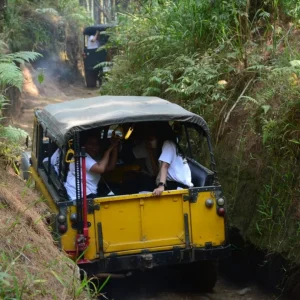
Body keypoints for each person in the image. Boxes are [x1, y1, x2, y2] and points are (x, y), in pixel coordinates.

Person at [64, 132, 119, 200]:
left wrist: (114, 146)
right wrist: (107, 151)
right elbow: (101, 169)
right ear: (84, 145)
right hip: (79, 197)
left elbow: (111, 167)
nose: (94, 147)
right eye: (91, 144)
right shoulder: (81, 157)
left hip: (86, 194)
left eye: (96, 144)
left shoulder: (91, 158)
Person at [152, 123, 193, 196]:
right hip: (180, 185)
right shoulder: (173, 144)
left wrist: (161, 186)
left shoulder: (168, 144)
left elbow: (165, 165)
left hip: (178, 187)